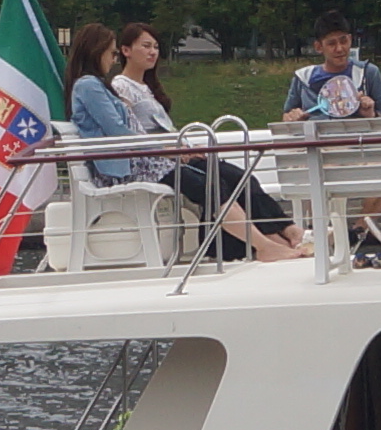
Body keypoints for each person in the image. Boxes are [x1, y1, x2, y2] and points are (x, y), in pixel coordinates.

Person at [68, 23, 309, 261]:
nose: (113, 58)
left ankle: (273, 241)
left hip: (144, 162)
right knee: (212, 185)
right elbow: (119, 131)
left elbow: (125, 130)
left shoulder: (97, 85)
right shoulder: (89, 85)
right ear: (95, 51)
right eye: (111, 53)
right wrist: (166, 150)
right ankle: (264, 245)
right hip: (134, 168)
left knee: (219, 181)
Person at [280, 14, 381, 122]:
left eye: (344, 41)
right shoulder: (303, 78)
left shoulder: (367, 73)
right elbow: (286, 116)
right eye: (331, 44)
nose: (339, 49)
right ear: (318, 47)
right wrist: (292, 117)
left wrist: (371, 114)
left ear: (350, 40)